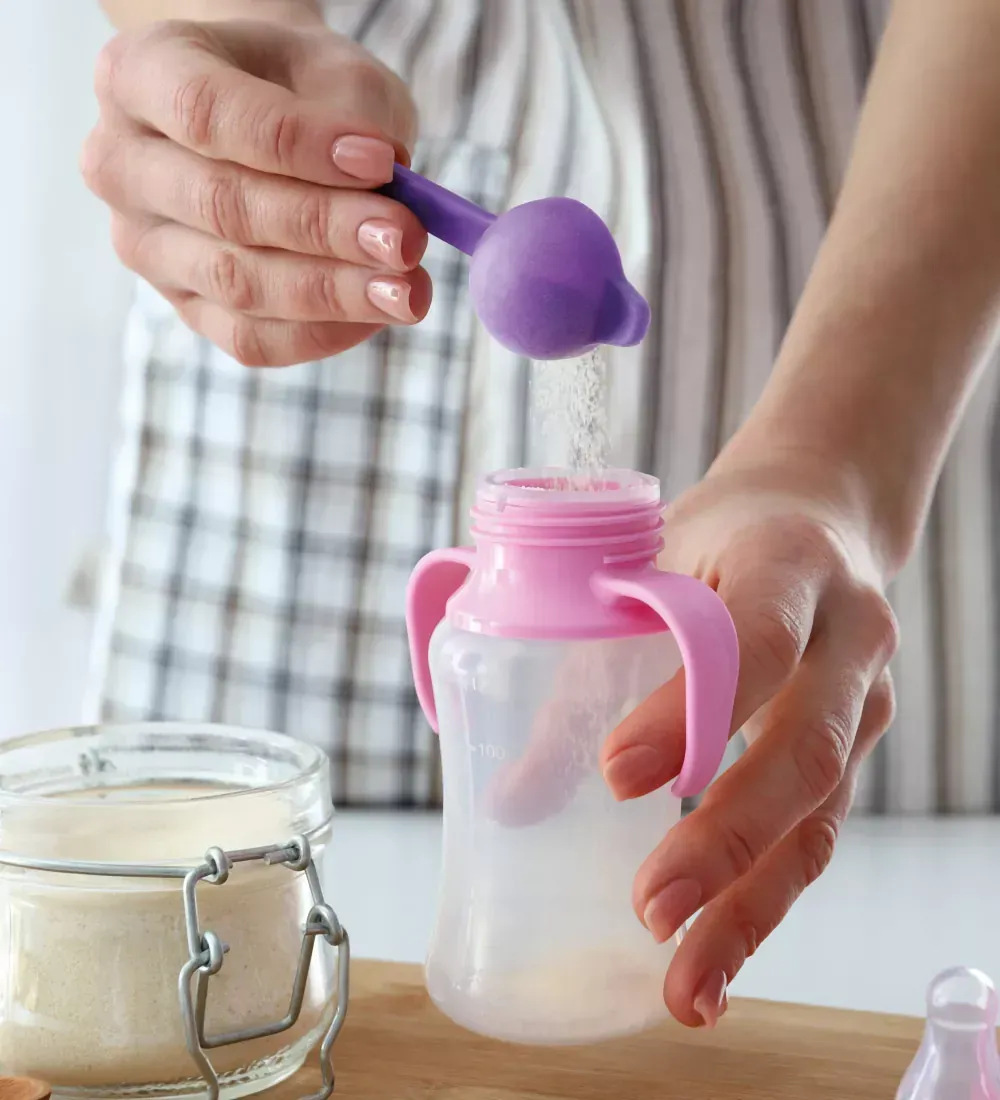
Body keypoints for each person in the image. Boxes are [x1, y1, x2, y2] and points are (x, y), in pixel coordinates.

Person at [82, 0, 1000, 1030]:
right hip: (311, 406)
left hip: (876, 244)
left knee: (831, 871)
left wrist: (830, 458)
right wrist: (238, 76)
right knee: (212, 956)